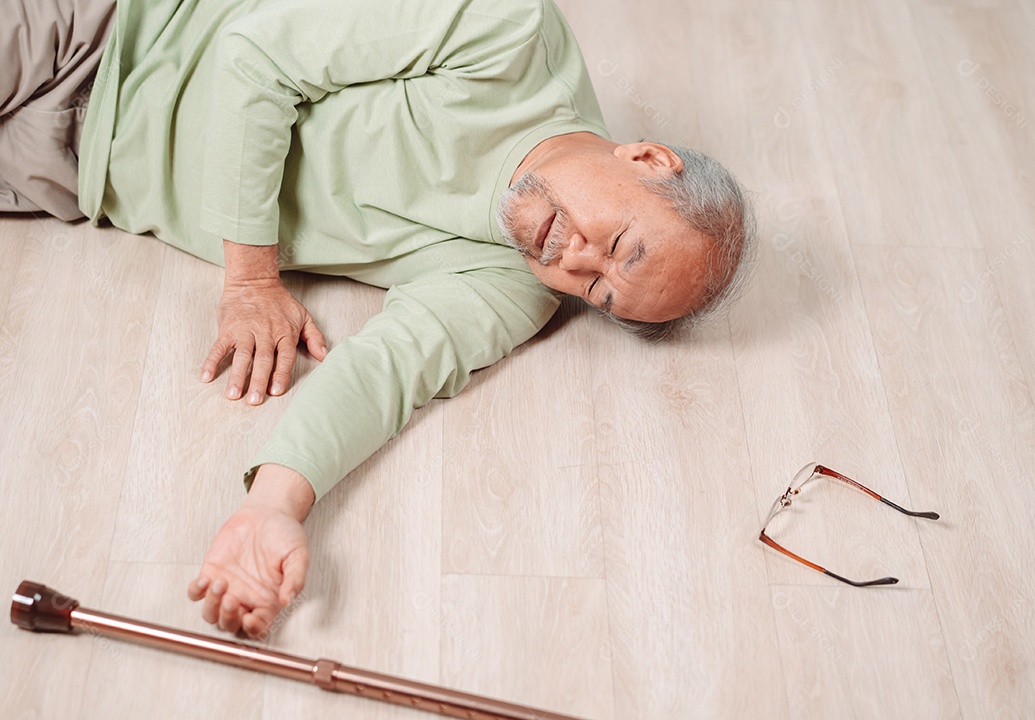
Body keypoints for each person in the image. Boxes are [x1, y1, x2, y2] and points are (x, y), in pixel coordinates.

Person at [2, 0, 755, 636]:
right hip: (106, 31)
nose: (578, 262)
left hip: (76, 173)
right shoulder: (508, 33)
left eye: (599, 294)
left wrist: (273, 507)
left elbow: (386, 373)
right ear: (647, 160)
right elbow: (253, 54)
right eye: (620, 244)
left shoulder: (517, 286)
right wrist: (251, 280)